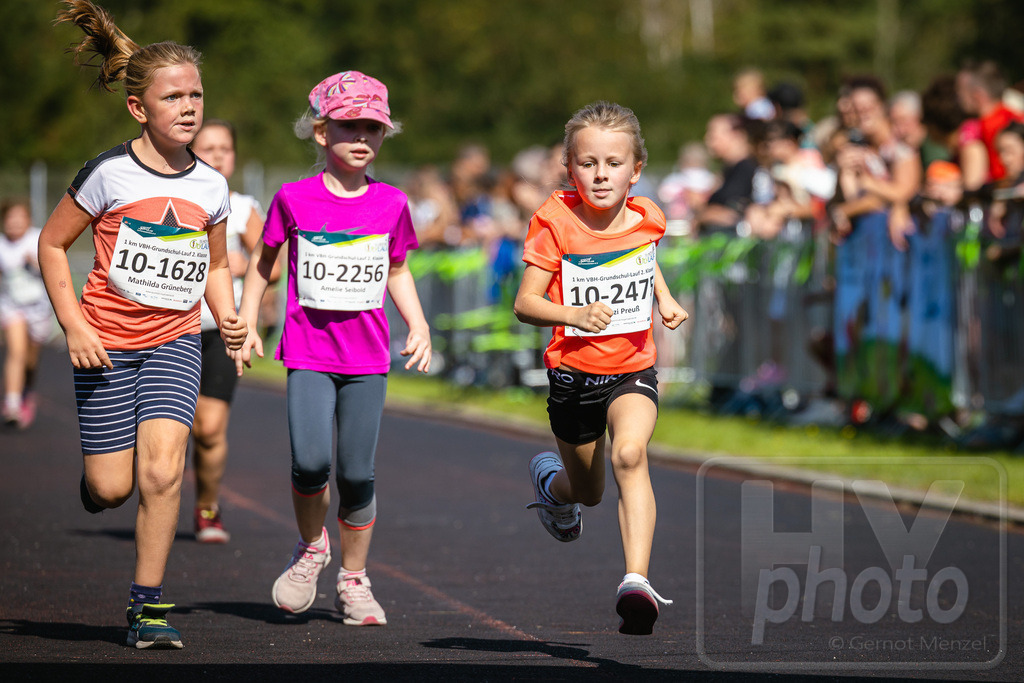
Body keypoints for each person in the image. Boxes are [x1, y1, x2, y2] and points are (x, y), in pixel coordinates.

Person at [38, 0, 246, 650]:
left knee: (163, 472)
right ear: (139, 109)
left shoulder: (211, 187)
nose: (189, 107)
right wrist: (73, 324)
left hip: (175, 342)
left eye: (197, 95)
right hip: (105, 343)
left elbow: (214, 265)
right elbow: (50, 246)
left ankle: (147, 606)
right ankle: (97, 482)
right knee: (112, 486)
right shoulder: (108, 174)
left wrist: (230, 315)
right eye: (174, 97)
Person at [233, 70, 431, 626]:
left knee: (356, 474)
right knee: (310, 462)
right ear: (322, 132)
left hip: (368, 359)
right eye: (350, 127)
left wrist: (417, 324)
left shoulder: (392, 202)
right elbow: (264, 262)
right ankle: (311, 547)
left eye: (374, 127)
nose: (363, 137)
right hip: (308, 352)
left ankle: (354, 580)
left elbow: (397, 269)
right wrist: (249, 321)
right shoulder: (293, 198)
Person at [512, 101, 688, 636]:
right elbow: (525, 303)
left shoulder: (648, 215)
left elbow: (643, 259)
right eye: (588, 163)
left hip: (633, 366)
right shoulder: (554, 221)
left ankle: (636, 581)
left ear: (636, 169)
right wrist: (574, 314)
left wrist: (664, 298)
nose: (601, 174)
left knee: (631, 455)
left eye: (614, 163)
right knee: (588, 490)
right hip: (573, 374)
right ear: (570, 166)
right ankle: (554, 488)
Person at [188, 120, 266, 543]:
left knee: (209, 428)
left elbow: (271, 262)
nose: (218, 155)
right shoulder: (174, 198)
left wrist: (243, 266)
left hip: (222, 329)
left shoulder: (244, 206)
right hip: (170, 328)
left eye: (226, 148)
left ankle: (207, 506)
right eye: (208, 147)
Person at [0, 198, 51, 428]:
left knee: (30, 361)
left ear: (28, 220)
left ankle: (26, 391)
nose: (14, 223)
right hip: (12, 306)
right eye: (10, 219)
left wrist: (36, 263)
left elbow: (54, 267)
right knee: (16, 352)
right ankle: (11, 404)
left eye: (19, 218)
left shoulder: (38, 238)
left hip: (38, 308)